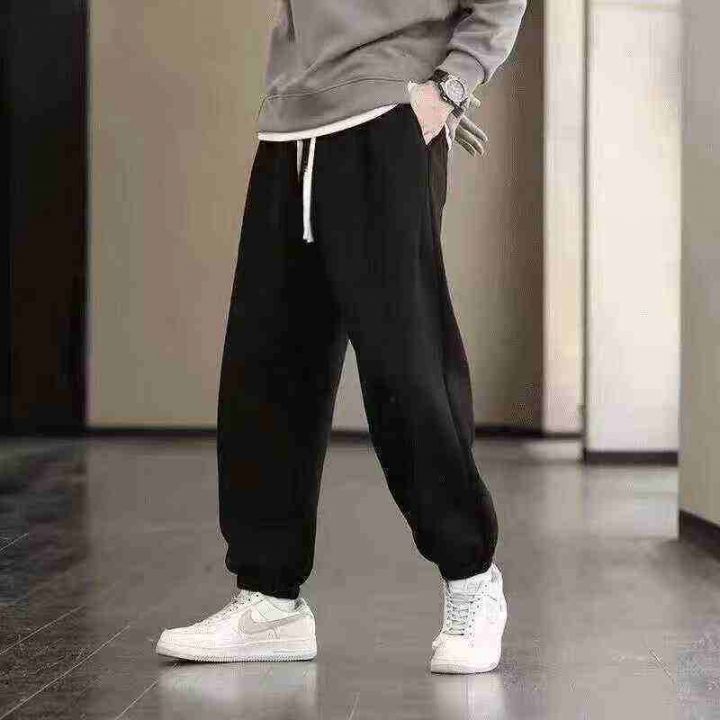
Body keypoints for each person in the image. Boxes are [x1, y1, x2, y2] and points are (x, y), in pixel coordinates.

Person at [156, 0, 527, 674]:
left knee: (406, 367)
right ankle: (270, 599)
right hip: (290, 124)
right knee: (267, 367)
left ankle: (472, 578)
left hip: (386, 118)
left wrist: (450, 87)